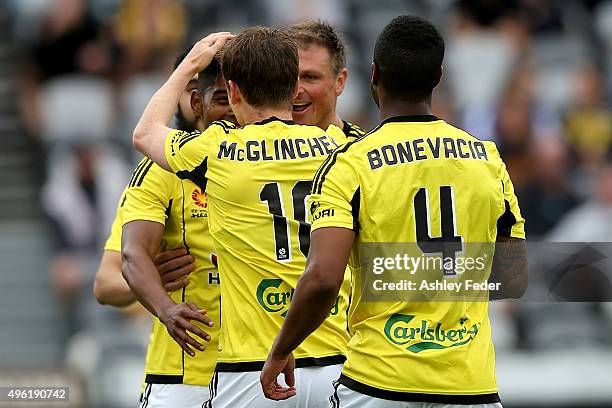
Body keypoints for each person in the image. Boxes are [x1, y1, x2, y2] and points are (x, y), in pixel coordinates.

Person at [261, 15, 528, 407]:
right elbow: (511, 276)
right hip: (468, 385)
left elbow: (322, 279)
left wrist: (281, 349)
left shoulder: (349, 164)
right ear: (438, 77)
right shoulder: (486, 159)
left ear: (374, 75)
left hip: (378, 383)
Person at [131, 28, 352, 407]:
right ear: (292, 88)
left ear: (233, 93)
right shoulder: (340, 148)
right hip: (335, 362)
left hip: (252, 368)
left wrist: (190, 64)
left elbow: (145, 133)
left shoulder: (218, 150)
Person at [94, 52, 235, 407]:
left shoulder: (270, 165)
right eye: (215, 96)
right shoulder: (158, 172)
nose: (230, 108)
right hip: (183, 376)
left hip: (258, 370)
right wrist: (150, 281)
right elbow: (106, 284)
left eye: (234, 95)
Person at [287, 20, 365, 138]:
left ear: (340, 82)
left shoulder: (365, 151)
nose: (297, 91)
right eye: (288, 77)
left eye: (309, 77)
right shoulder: (257, 150)